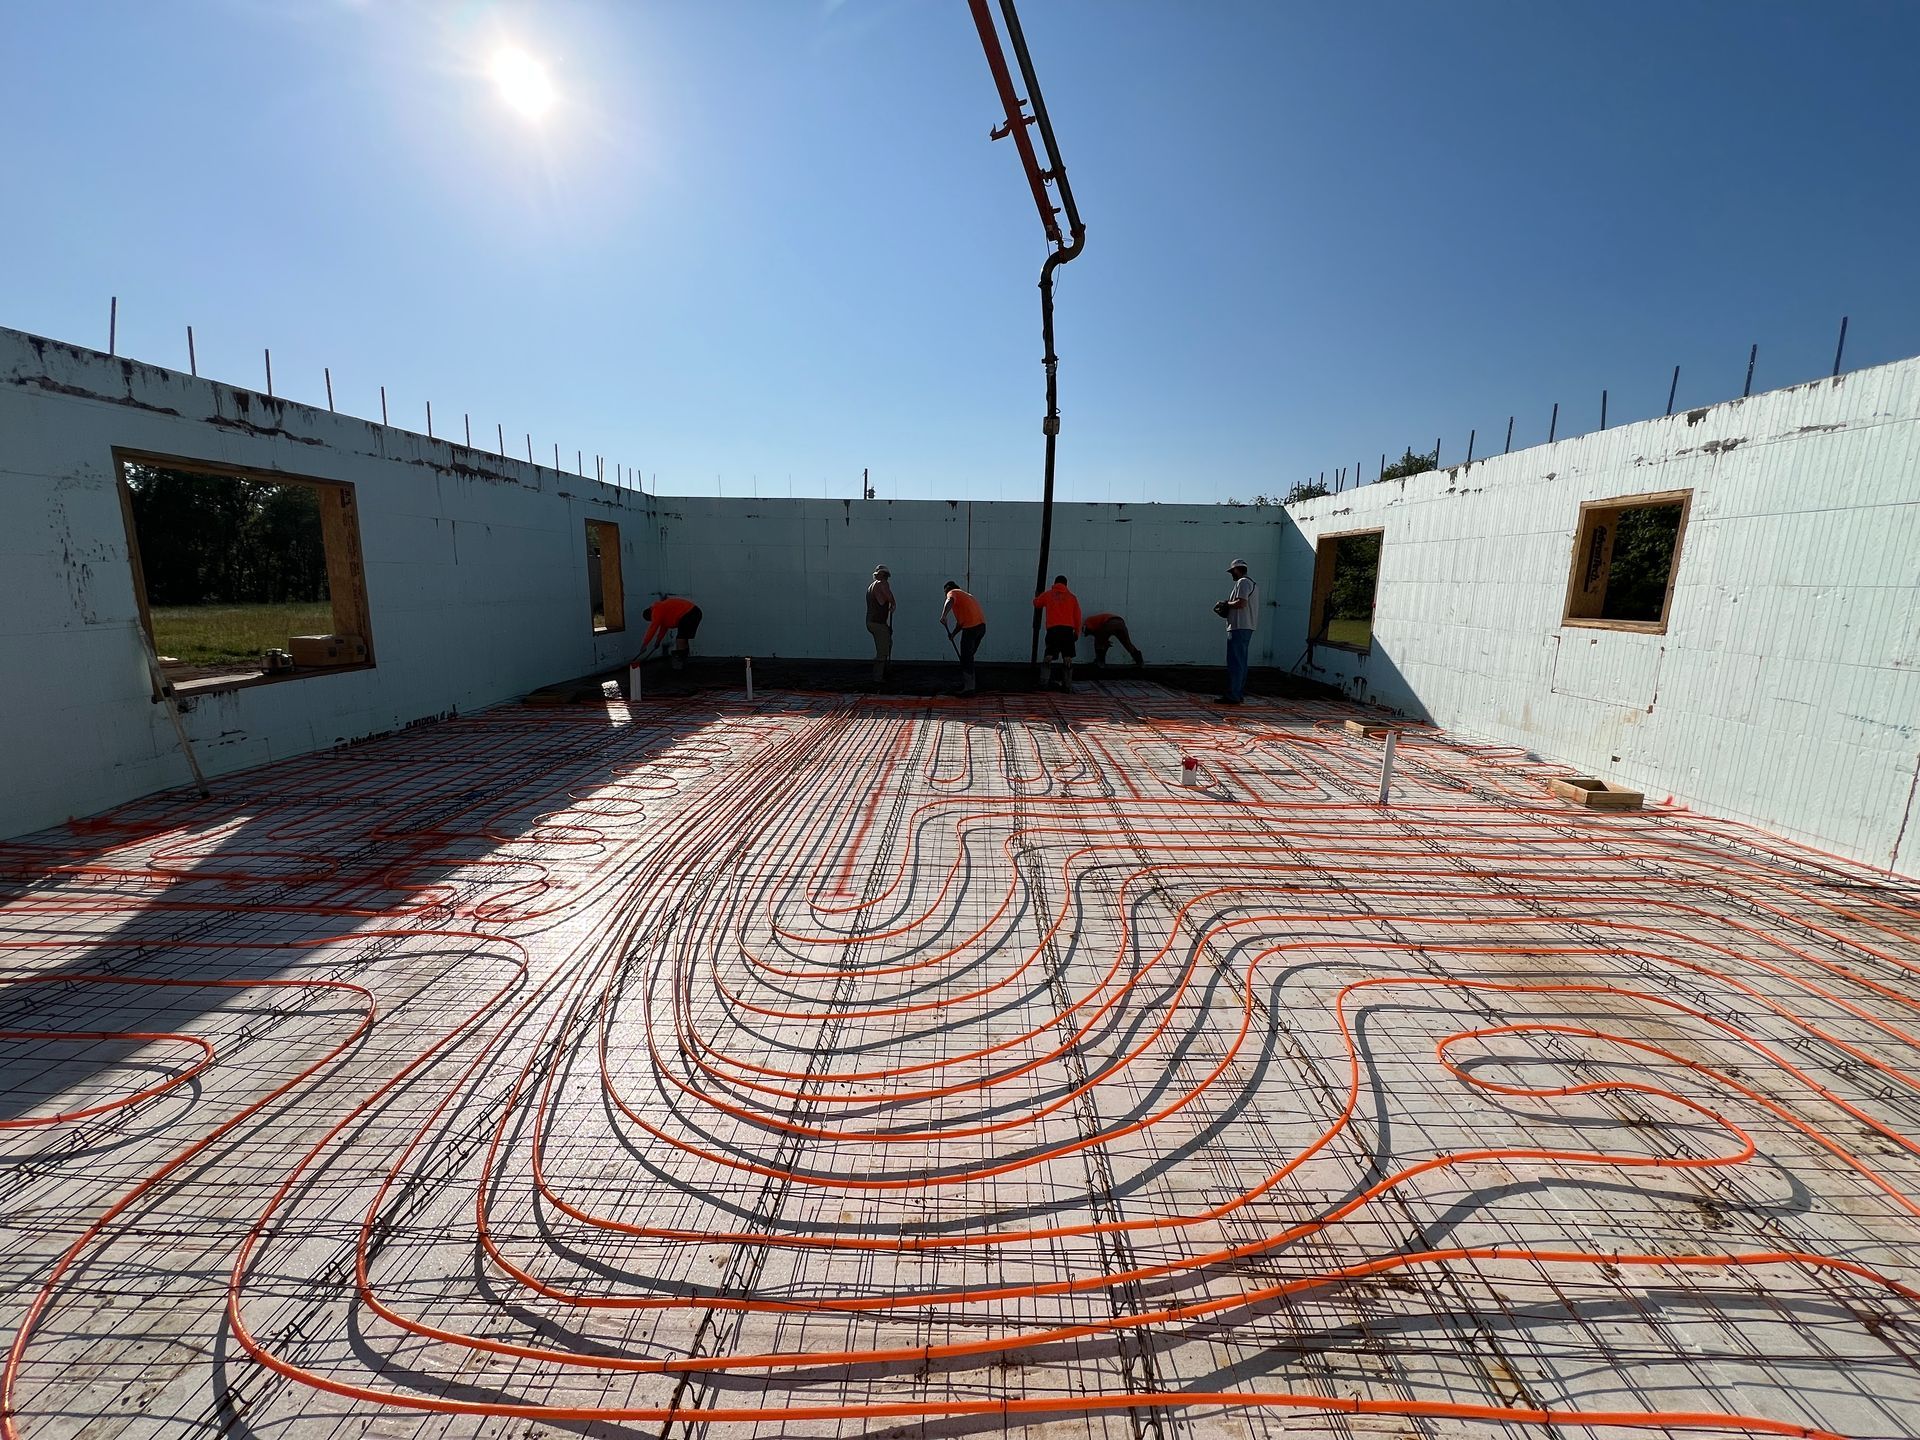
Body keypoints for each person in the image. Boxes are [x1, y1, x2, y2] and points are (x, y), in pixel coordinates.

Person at [1032, 575, 1082, 692]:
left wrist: (1037, 596)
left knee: (1049, 655)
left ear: (1055, 583)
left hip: (1053, 630)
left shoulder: (1048, 594)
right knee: (1067, 657)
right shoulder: (1072, 598)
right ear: (1066, 585)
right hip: (1068, 630)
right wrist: (1077, 632)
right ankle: (1067, 686)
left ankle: (1043, 683)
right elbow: (1077, 617)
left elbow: (1037, 604)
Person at [1217, 559, 1257, 704]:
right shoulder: (1251, 582)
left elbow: (1241, 603)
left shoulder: (1243, 582)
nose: (1231, 575)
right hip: (1245, 627)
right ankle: (1237, 694)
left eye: (1232, 572)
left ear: (1236, 570)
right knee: (1240, 662)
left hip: (1239, 626)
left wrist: (1227, 604)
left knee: (1236, 662)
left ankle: (1233, 695)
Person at [941, 581, 986, 697]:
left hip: (971, 629)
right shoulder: (966, 597)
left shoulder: (952, 593)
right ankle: (971, 684)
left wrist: (944, 615)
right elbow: (961, 623)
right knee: (968, 657)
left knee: (966, 658)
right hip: (981, 627)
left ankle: (969, 688)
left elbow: (949, 600)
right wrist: (953, 635)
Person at [639, 595, 702, 670]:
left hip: (689, 613)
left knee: (680, 639)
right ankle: (684, 661)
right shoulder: (662, 611)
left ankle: (680, 664)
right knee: (683, 638)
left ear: (651, 615)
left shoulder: (656, 610)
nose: (653, 620)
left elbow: (653, 628)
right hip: (694, 612)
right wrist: (658, 642)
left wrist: (644, 644)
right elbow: (663, 629)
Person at [865, 565, 895, 686]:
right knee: (883, 650)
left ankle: (881, 672)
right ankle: (878, 677)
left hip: (873, 622)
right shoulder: (882, 583)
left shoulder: (871, 586)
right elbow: (888, 596)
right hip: (877, 623)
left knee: (888, 643)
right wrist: (893, 603)